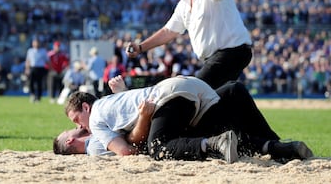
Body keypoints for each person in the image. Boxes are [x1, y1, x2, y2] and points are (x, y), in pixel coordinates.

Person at [61, 76, 313, 164]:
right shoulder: (113, 102)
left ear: (86, 106)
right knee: (232, 93)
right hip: (190, 87)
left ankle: (213, 144)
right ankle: (280, 147)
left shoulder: (95, 120)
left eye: (76, 119)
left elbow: (127, 152)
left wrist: (140, 124)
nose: (79, 126)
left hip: (168, 96)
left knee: (159, 148)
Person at [126, 0, 252, 89]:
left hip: (232, 52)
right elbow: (168, 31)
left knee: (197, 90)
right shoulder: (184, 3)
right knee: (219, 99)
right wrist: (141, 47)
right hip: (217, 57)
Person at [25, 38, 49, 103]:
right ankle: (32, 94)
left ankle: (38, 97)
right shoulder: (30, 51)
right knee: (31, 82)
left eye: (37, 43)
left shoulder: (43, 51)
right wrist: (27, 69)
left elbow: (47, 60)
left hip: (40, 68)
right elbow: (28, 60)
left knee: (39, 83)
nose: (36, 44)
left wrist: (50, 68)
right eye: (35, 43)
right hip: (32, 68)